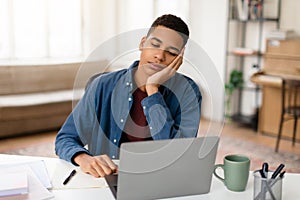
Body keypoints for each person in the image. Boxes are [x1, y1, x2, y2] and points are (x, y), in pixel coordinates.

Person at [55, 14, 202, 178]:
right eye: (155, 45)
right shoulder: (103, 85)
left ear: (179, 57)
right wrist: (83, 158)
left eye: (171, 52)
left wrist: (153, 91)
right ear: (142, 43)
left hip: (160, 179)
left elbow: (177, 154)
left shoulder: (188, 92)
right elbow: (66, 138)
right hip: (108, 178)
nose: (160, 56)